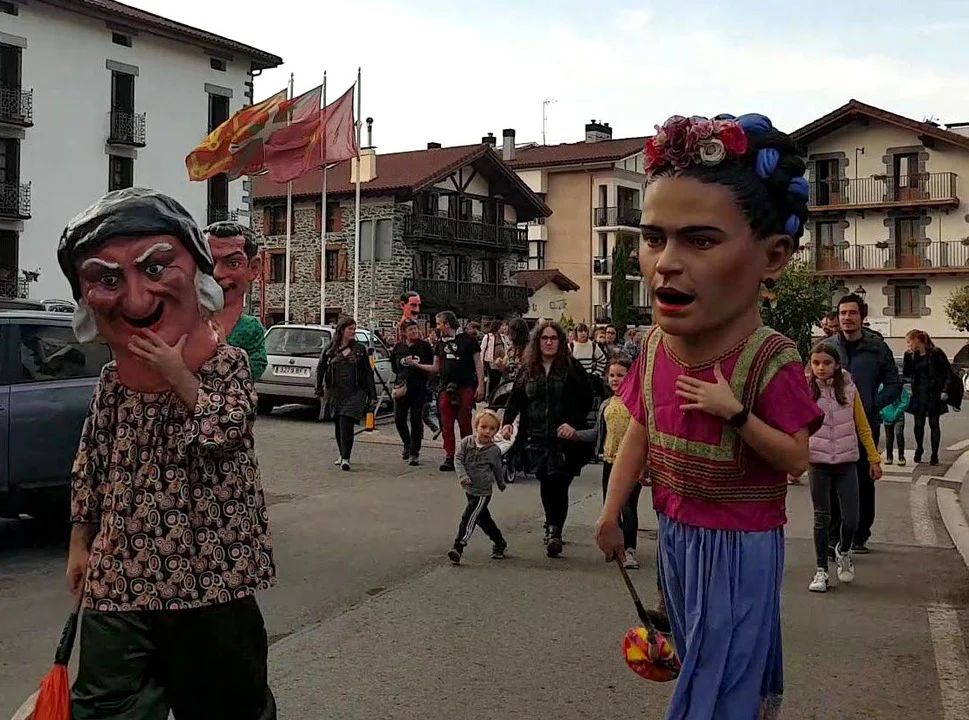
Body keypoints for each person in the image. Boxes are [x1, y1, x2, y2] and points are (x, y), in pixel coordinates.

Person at [593, 113, 824, 720]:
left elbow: (797, 460)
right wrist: (612, 512)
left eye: (699, 241)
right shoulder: (652, 348)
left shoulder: (771, 359)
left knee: (716, 679)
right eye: (654, 239)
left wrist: (736, 413)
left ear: (774, 256)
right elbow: (639, 433)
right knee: (699, 658)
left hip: (741, 542)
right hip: (675, 531)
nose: (666, 263)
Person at [58, 188, 277, 719]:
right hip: (123, 565)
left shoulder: (227, 364)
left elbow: (227, 432)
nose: (136, 302)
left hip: (209, 569)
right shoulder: (113, 381)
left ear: (195, 275)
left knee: (227, 703)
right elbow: (92, 461)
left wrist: (178, 375)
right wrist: (80, 542)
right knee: (107, 705)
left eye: (156, 268)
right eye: (107, 280)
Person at [502, 321, 593, 558]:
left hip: (563, 437)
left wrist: (573, 424)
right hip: (536, 434)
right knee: (545, 480)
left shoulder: (571, 367)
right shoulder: (528, 369)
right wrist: (507, 423)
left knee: (559, 481)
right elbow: (516, 399)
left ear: (560, 342)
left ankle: (554, 531)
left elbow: (586, 399)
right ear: (538, 341)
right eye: (545, 338)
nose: (549, 342)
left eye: (554, 338)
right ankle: (551, 523)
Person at [805, 343, 882, 593]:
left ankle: (844, 550)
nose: (821, 368)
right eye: (816, 363)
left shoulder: (849, 389)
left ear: (837, 364)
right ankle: (821, 571)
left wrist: (874, 458)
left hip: (846, 462)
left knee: (851, 519)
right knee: (821, 518)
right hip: (817, 462)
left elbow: (863, 426)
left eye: (827, 363)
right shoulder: (805, 389)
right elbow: (795, 427)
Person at [827, 293, 901, 554]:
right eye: (843, 313)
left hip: (865, 426)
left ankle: (860, 535)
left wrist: (872, 404)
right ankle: (833, 535)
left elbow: (894, 384)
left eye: (852, 313)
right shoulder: (828, 348)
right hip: (832, 428)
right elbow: (810, 380)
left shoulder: (877, 348)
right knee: (832, 481)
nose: (847, 318)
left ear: (862, 316)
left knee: (862, 481)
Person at [571, 355, 643, 569]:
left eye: (620, 375)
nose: (615, 379)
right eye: (611, 375)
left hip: (631, 464)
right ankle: (615, 547)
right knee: (611, 507)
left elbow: (645, 435)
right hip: (610, 461)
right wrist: (574, 434)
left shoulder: (637, 402)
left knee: (628, 508)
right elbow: (597, 433)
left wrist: (645, 465)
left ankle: (630, 550)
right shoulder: (607, 404)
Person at [404, 311, 485, 472]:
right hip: (446, 387)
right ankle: (450, 455)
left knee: (464, 422)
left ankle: (467, 454)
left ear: (447, 323)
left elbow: (478, 363)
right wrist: (417, 365)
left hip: (465, 386)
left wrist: (481, 385)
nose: (438, 327)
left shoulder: (468, 340)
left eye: (439, 323)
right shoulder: (440, 344)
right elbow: (436, 367)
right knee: (446, 424)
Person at [204, 221, 268, 380]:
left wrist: (226, 350)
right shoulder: (182, 316)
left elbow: (254, 370)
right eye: (208, 262)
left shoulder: (249, 328)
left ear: (253, 268)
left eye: (233, 264)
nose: (217, 273)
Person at [448, 409, 508, 565]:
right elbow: (458, 459)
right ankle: (499, 541)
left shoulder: (494, 450)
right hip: (469, 488)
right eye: (484, 427)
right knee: (483, 519)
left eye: (492, 429)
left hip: (482, 491)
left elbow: (497, 468)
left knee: (469, 517)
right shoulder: (466, 442)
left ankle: (458, 546)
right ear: (476, 426)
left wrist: (501, 483)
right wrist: (462, 476)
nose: (487, 431)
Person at [316, 315, 376, 471]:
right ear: (342, 330)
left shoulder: (360, 349)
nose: (353, 331)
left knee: (346, 421)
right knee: (338, 422)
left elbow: (368, 372)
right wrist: (319, 387)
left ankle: (345, 458)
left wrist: (372, 394)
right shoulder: (330, 348)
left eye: (354, 329)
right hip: (336, 391)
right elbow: (321, 367)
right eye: (350, 329)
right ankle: (342, 453)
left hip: (355, 391)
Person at [903, 329, 952, 465]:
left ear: (917, 341)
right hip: (919, 393)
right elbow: (907, 374)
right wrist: (908, 357)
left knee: (934, 424)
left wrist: (945, 390)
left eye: (909, 342)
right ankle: (919, 448)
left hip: (934, 393)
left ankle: (934, 454)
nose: (908, 345)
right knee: (918, 424)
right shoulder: (911, 355)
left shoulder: (936, 353)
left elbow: (948, 372)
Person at [390, 319, 435, 466]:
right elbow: (394, 366)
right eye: (410, 330)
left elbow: (432, 366)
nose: (414, 331)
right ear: (404, 332)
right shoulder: (399, 347)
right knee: (399, 418)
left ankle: (414, 452)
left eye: (415, 329)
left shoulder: (425, 346)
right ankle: (407, 443)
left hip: (419, 388)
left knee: (416, 420)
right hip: (402, 387)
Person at [882, 382, 911, 466]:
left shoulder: (900, 388)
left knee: (899, 435)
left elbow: (905, 401)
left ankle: (901, 456)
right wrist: (882, 412)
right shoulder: (882, 387)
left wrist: (898, 412)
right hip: (887, 415)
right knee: (889, 437)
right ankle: (889, 456)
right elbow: (879, 401)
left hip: (898, 417)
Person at [480, 319, 507, 399]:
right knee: (492, 379)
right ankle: (490, 396)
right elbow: (482, 350)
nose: (503, 328)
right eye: (501, 326)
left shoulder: (503, 337)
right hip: (491, 361)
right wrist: (482, 363)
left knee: (499, 379)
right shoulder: (488, 337)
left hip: (501, 361)